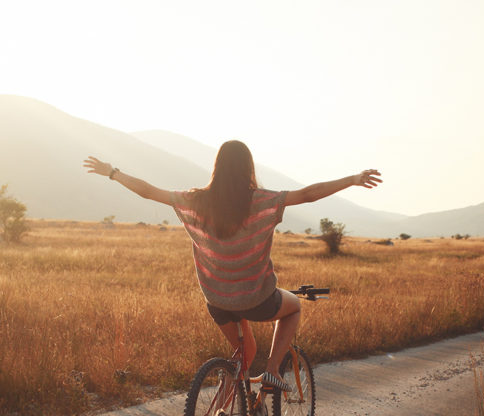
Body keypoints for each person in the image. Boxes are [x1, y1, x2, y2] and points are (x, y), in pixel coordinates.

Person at [84, 141, 381, 391]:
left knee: (243, 354)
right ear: (248, 169)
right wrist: (352, 179)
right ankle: (274, 372)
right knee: (294, 308)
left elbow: (148, 191)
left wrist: (112, 172)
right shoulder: (263, 201)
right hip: (257, 300)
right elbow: (307, 194)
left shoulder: (196, 201)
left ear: (217, 168)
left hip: (217, 301)